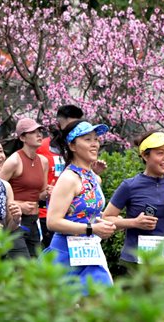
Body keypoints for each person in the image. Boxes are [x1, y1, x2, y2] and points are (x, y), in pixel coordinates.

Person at [45, 120, 116, 293]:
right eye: (87, 139)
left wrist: (108, 224)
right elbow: (52, 222)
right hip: (65, 254)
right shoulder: (69, 178)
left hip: (89, 253)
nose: (94, 144)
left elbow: (90, 215)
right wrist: (92, 228)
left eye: (96, 139)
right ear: (72, 146)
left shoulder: (94, 177)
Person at [103, 131, 164, 273]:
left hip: (163, 261)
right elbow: (106, 218)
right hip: (134, 262)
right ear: (145, 156)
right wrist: (134, 222)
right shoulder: (129, 185)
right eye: (160, 153)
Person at [0, 118, 48, 258]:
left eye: (40, 131)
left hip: (34, 220)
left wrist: (49, 193)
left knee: (36, 268)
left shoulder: (43, 162)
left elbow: (40, 194)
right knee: (22, 268)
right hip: (15, 221)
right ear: (22, 137)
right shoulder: (14, 161)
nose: (39, 135)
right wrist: (19, 205)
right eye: (33, 132)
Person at [36, 105, 84, 248]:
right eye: (69, 126)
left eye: (77, 126)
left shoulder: (82, 150)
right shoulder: (43, 147)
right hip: (47, 213)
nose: (73, 130)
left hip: (76, 215)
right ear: (59, 125)